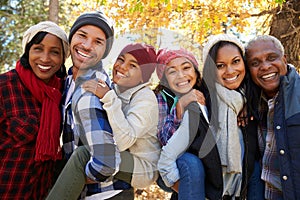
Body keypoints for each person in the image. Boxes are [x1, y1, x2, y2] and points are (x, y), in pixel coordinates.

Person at [48, 43, 161, 199]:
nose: (122, 67)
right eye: (121, 59)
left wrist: (108, 98)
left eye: (133, 65)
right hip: (122, 159)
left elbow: (123, 141)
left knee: (84, 154)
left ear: (143, 76)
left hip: (141, 167)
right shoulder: (114, 88)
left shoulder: (145, 98)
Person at [46, 12, 131, 200]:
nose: (86, 45)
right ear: (71, 38)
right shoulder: (69, 81)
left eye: (98, 42)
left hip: (106, 195)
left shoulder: (90, 91)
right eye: (82, 36)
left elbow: (106, 163)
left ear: (105, 52)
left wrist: (73, 179)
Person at [0, 21, 69, 199]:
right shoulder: (5, 86)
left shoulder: (62, 93)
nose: (45, 58)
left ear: (63, 58)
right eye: (38, 48)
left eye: (55, 52)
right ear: (27, 51)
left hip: (40, 192)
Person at [202, 34, 264, 199]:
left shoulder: (253, 100)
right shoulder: (201, 101)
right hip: (207, 192)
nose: (230, 71)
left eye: (236, 61)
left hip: (239, 192)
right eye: (220, 65)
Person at [155, 47, 221, 200]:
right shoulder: (161, 98)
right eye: (172, 71)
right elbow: (164, 139)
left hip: (206, 167)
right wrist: (180, 106)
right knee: (190, 162)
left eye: (186, 68)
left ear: (196, 72)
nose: (181, 75)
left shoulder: (204, 94)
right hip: (173, 165)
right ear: (164, 79)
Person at [245, 35, 300, 199]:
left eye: (271, 58)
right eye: (255, 63)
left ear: (284, 59)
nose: (265, 66)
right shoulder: (252, 103)